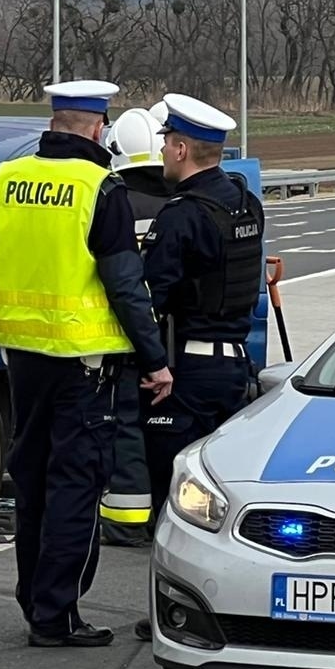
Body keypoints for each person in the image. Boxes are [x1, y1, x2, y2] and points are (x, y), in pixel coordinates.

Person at [0, 81, 173, 648]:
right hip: (84, 364)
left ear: (53, 123)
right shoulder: (101, 186)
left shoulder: (7, 178)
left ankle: (34, 601)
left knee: (31, 482)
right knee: (75, 488)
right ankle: (57, 615)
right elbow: (126, 283)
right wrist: (154, 359)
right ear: (98, 128)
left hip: (21, 358)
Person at [133, 93, 265, 640]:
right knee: (223, 495)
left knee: (178, 499)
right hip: (234, 368)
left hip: (184, 373)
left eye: (166, 142)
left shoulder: (182, 215)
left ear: (182, 148)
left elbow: (151, 295)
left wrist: (149, 360)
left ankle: (176, 611)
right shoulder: (243, 200)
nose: (163, 150)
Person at [96, 106, 176, 547]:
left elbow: (121, 285)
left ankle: (125, 520)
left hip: (120, 341)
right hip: (178, 340)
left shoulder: (112, 202)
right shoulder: (179, 201)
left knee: (125, 434)